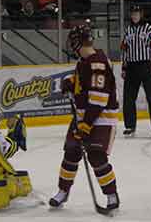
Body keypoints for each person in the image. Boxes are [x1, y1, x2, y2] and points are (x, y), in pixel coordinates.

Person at [49, 26, 120, 210]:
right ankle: (62, 192)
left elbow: (98, 100)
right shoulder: (84, 61)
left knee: (97, 157)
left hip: (102, 119)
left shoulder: (98, 63)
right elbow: (85, 84)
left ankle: (111, 195)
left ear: (79, 42)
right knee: (71, 152)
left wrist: (86, 125)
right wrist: (72, 83)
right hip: (83, 117)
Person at [121, 4, 151, 137]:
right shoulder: (128, 30)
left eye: (137, 13)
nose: (134, 16)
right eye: (133, 13)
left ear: (141, 14)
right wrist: (124, 67)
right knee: (128, 98)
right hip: (132, 67)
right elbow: (124, 50)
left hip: (146, 66)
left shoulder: (149, 29)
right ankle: (130, 126)